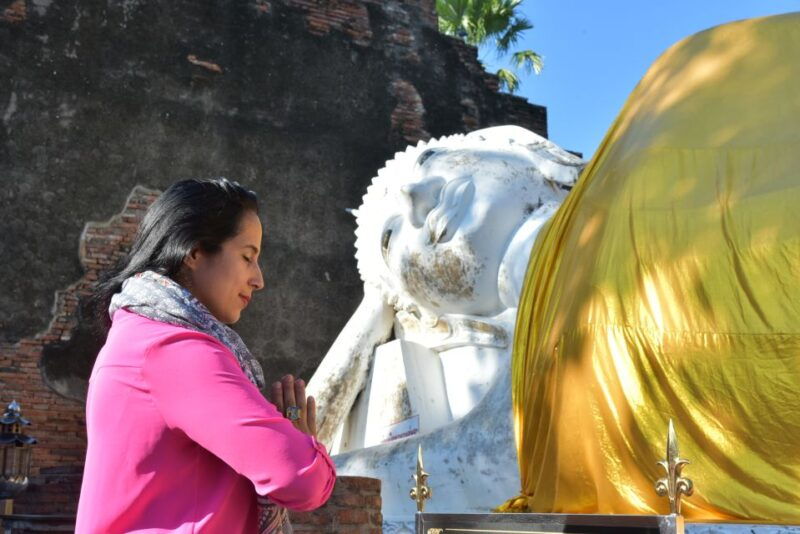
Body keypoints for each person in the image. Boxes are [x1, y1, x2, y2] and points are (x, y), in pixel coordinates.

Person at [76, 178, 336, 533]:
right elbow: (300, 479)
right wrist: (307, 446)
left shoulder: (137, 336)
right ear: (195, 251)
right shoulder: (174, 350)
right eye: (247, 257)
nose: (258, 279)